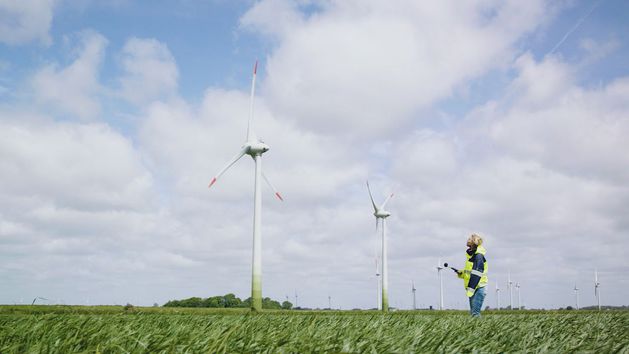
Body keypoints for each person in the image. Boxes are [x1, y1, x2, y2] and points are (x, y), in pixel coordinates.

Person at [457, 233, 488, 317]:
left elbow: (477, 273)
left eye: (470, 239)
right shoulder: (471, 256)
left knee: (475, 313)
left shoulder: (478, 256)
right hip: (473, 287)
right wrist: (461, 273)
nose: (467, 240)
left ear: (474, 242)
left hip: (478, 287)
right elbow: (470, 272)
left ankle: (481, 329)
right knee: (473, 314)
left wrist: (471, 289)